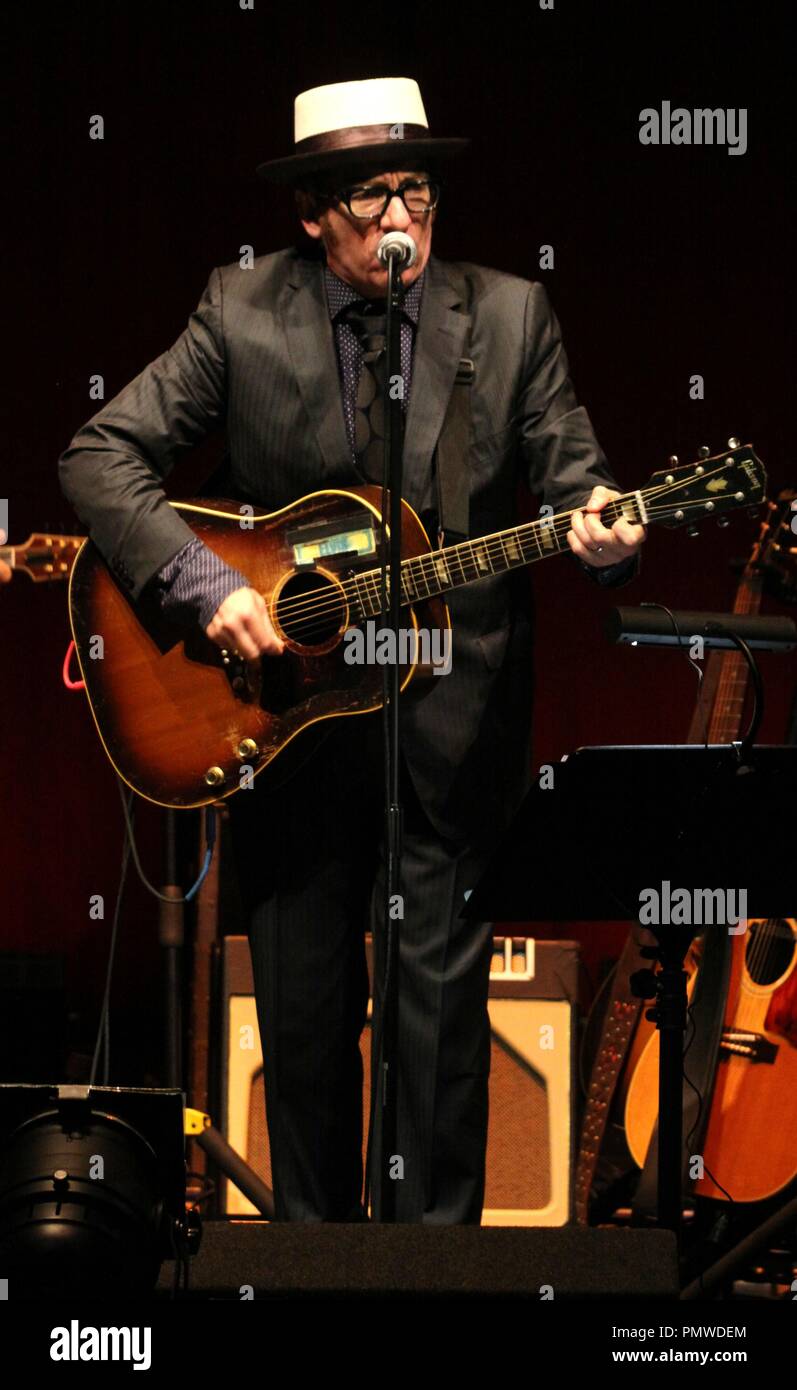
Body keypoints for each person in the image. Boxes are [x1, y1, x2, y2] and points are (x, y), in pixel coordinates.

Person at [58, 76, 645, 1224]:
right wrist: (202, 582)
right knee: (305, 1017)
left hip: (451, 719)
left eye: (416, 193)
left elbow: (576, 478)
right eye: (372, 195)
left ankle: (433, 1279)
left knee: (439, 1029)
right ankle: (309, 1269)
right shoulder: (238, 311)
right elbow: (99, 455)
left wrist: (606, 533)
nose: (400, 221)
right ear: (313, 212)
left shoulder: (510, 315)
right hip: (282, 723)